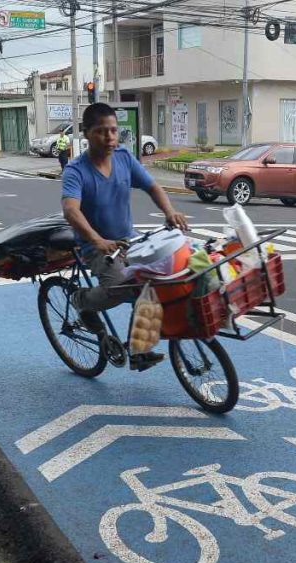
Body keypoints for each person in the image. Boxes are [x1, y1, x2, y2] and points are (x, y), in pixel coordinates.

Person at [61, 102, 189, 370]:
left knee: (159, 279)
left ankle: (139, 350)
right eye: (101, 131)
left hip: (129, 239)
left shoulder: (124, 158)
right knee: (118, 289)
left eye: (113, 131)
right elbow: (71, 211)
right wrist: (97, 240)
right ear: (86, 133)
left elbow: (152, 186)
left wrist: (170, 212)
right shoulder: (76, 170)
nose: (109, 137)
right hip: (96, 246)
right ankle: (81, 301)